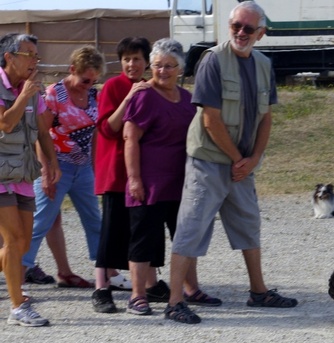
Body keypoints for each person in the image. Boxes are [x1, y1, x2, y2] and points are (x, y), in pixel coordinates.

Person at [166, 0, 297, 324]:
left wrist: (253, 159)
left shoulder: (264, 64)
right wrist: (241, 159)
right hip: (208, 161)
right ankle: (174, 302)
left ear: (261, 33)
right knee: (190, 228)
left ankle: (259, 291)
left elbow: (266, 118)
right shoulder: (212, 61)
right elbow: (210, 119)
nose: (240, 32)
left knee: (249, 226)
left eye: (248, 28)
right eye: (236, 25)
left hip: (242, 165)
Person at [122, 38, 220, 316]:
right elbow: (129, 138)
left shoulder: (188, 99)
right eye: (157, 65)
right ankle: (138, 295)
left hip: (183, 183)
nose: (162, 71)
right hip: (149, 184)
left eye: (169, 66)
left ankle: (192, 288)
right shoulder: (143, 96)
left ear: (180, 68)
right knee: (144, 240)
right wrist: (134, 179)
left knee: (185, 237)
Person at [22, 45, 105, 290]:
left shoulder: (93, 95)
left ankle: (105, 274)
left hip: (83, 169)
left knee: (95, 221)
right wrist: (46, 172)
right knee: (41, 222)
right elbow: (41, 134)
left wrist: (96, 167)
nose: (88, 85)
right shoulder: (54, 94)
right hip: (58, 166)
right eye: (84, 80)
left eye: (93, 81)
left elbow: (95, 133)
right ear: (72, 70)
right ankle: (18, 272)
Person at [93, 37, 160, 314]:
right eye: (126, 59)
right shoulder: (113, 86)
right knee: (111, 230)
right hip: (115, 171)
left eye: (137, 59)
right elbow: (108, 128)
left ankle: (150, 285)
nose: (132, 64)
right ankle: (101, 288)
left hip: (144, 171)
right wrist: (130, 96)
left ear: (147, 62)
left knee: (143, 230)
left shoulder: (153, 87)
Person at [0, 33, 60, 326]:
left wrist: (51, 161)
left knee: (22, 244)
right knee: (12, 239)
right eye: (29, 54)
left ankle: (11, 283)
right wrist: (23, 94)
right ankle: (17, 306)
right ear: (9, 56)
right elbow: (5, 123)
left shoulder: (33, 89)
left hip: (23, 171)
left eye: (36, 55)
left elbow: (41, 128)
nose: (35, 60)